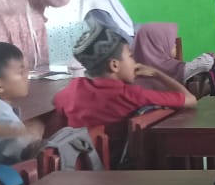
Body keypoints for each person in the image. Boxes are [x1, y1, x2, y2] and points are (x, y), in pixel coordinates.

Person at [54, 24, 196, 130]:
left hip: (76, 167)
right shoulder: (131, 95)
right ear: (114, 65)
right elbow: (190, 100)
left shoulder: (68, 93)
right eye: (130, 56)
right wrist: (157, 74)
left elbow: (56, 128)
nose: (134, 62)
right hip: (119, 168)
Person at [132, 23, 215, 86]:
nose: (175, 43)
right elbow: (207, 63)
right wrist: (211, 56)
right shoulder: (170, 68)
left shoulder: (135, 70)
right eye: (170, 40)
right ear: (158, 44)